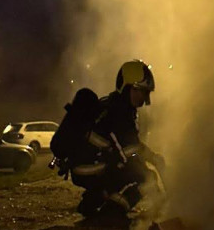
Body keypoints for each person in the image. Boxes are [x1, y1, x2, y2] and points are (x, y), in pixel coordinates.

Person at [54, 59, 164, 218]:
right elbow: (128, 150)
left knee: (128, 167)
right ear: (129, 88)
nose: (145, 97)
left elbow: (121, 150)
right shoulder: (118, 112)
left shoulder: (113, 105)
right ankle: (112, 214)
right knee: (145, 177)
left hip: (85, 165)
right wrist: (154, 161)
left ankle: (94, 200)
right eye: (142, 91)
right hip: (89, 168)